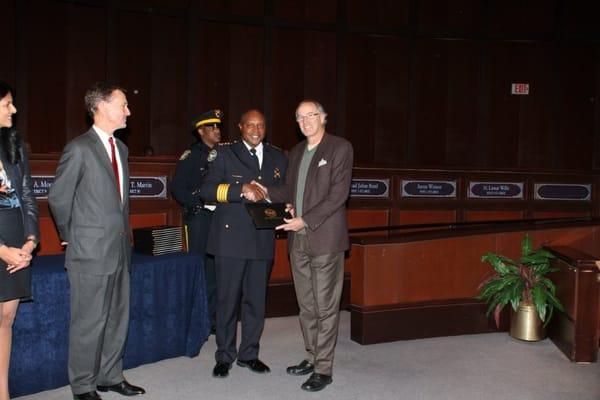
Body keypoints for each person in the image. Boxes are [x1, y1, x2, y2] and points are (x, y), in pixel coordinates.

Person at [48, 82, 145, 400]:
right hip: (89, 252)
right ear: (102, 106)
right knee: (89, 321)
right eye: (123, 104)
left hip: (119, 249)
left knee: (118, 317)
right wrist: (71, 237)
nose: (128, 110)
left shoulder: (122, 149)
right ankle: (83, 385)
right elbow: (59, 199)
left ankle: (110, 375)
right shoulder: (79, 148)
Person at [254, 100, 353, 392]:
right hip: (297, 240)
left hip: (324, 238)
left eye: (311, 115)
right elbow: (288, 191)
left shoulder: (340, 148)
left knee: (325, 307)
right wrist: (264, 192)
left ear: (323, 117)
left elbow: (338, 195)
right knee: (307, 305)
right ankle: (312, 356)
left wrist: (305, 220)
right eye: (300, 117)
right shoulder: (295, 153)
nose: (306, 121)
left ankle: (324, 369)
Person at [199, 109, 287, 378]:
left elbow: (286, 189)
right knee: (227, 302)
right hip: (231, 240)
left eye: (261, 125)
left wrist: (266, 191)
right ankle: (224, 355)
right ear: (240, 127)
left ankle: (250, 354)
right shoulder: (224, 154)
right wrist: (241, 190)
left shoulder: (278, 156)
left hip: (262, 240)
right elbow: (206, 190)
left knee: (256, 303)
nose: (256, 130)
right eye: (251, 125)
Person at [0, 81, 39, 400]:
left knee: (6, 318)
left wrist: (29, 242)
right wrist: (2, 251)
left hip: (15, 237)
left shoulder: (15, 144)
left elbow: (27, 195)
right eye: (7, 104)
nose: (14, 110)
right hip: (0, 245)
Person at [171, 109, 222, 334]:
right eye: (212, 127)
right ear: (201, 131)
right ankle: (195, 318)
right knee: (199, 267)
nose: (217, 131)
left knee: (215, 269)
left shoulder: (224, 155)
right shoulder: (191, 155)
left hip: (219, 218)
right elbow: (177, 188)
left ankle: (211, 318)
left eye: (219, 127)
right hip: (199, 218)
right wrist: (198, 202)